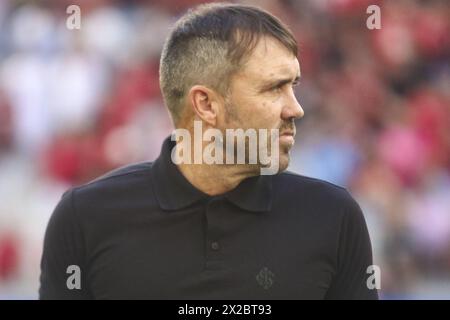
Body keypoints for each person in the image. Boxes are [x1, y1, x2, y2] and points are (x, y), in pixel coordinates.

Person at [39, 2, 378, 299]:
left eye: (293, 86)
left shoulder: (333, 217)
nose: (296, 109)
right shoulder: (85, 218)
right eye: (274, 88)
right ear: (205, 104)